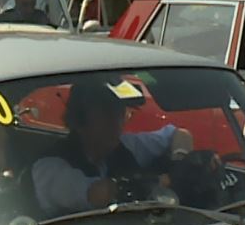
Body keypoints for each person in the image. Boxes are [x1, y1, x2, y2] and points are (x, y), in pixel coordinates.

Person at [32, 79, 194, 215]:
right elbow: (96, 194)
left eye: (121, 114)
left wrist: (180, 161)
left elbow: (179, 134)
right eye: (107, 114)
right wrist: (156, 182)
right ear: (79, 119)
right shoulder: (49, 168)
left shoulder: (125, 145)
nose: (117, 124)